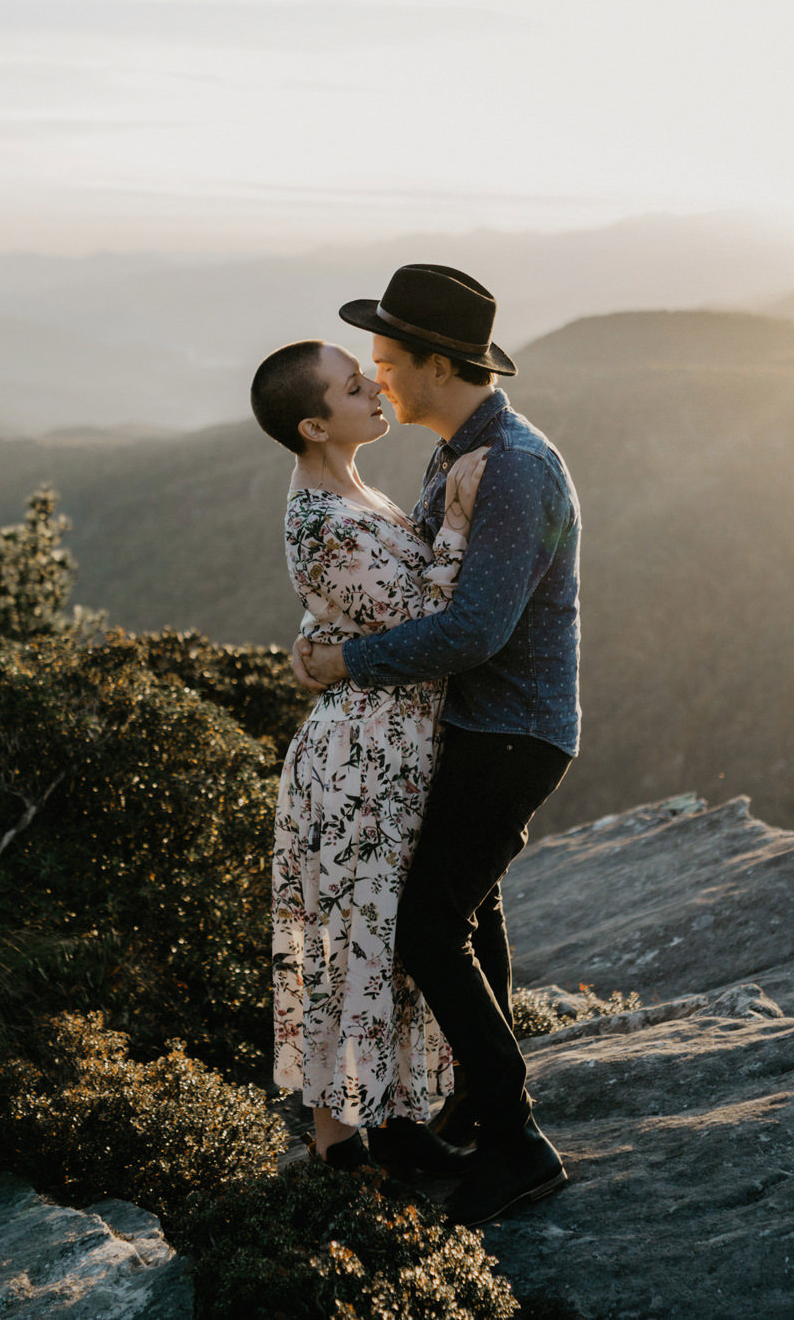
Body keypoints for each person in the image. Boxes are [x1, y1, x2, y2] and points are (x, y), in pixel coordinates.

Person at [292, 264, 582, 1228]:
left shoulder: (515, 466)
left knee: (425, 926)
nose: (379, 379)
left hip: (514, 732)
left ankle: (518, 1139)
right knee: (469, 913)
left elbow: (474, 632)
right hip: (474, 727)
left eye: (386, 359)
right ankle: (476, 1103)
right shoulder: (462, 447)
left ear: (435, 362)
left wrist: (345, 660)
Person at [252, 335, 492, 1177]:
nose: (375, 389)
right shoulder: (318, 516)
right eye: (355, 387)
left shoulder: (349, 486)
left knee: (381, 938)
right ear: (317, 424)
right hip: (360, 760)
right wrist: (461, 515)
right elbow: (423, 617)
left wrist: (319, 636)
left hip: (392, 745)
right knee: (357, 940)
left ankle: (384, 1124)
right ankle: (340, 1147)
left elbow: (359, 612)